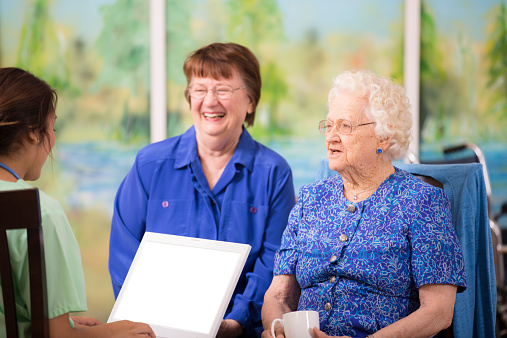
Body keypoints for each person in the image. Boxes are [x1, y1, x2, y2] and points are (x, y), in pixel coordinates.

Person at [261, 70, 467, 338]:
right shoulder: (310, 200)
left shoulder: (421, 201)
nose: (331, 136)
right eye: (329, 125)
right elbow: (278, 295)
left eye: (345, 126)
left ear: (384, 137)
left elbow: (439, 312)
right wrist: (276, 328)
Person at [109, 42, 295, 337]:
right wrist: (150, 323)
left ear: (250, 101)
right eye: (199, 89)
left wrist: (235, 321)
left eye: (222, 89)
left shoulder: (274, 173)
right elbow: (125, 255)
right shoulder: (150, 164)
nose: (209, 101)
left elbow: (274, 262)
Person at [0, 67, 155, 338]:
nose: (53, 137)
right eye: (52, 126)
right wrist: (112, 332)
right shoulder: (40, 212)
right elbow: (58, 336)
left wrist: (60, 322)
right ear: (33, 133)